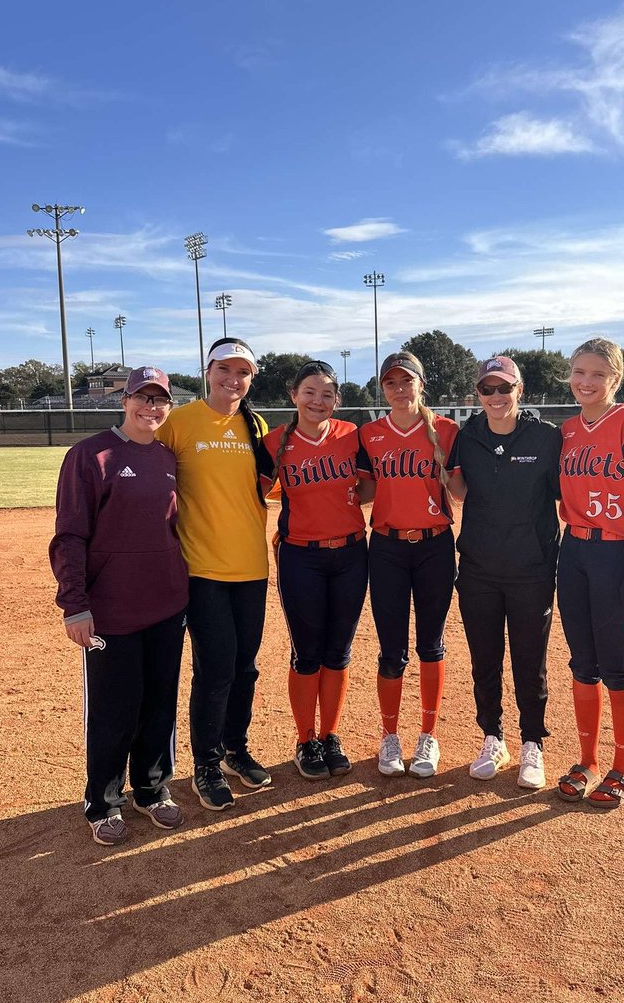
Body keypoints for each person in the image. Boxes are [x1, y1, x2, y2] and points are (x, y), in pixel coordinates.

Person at [49, 366, 189, 846]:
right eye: (142, 398)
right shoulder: (90, 455)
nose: (150, 408)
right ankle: (103, 801)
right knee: (114, 708)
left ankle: (152, 790)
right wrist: (75, 604)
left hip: (167, 601)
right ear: (125, 401)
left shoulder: (170, 458)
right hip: (111, 608)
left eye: (159, 401)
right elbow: (69, 535)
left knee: (158, 703)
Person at [156, 338, 271, 812]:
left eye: (243, 372)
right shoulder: (177, 422)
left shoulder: (255, 423)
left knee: (245, 666)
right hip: (202, 567)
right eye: (225, 369)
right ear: (208, 371)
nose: (234, 379)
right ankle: (204, 761)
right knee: (216, 666)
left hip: (252, 565)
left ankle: (232, 749)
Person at [447, 356, 562, 790]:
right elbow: (458, 491)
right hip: (478, 570)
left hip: (531, 570)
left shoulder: (547, 438)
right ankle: (492, 738)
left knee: (530, 663)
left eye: (504, 388)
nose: (496, 397)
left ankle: (533, 742)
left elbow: (567, 494)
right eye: (487, 389)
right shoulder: (467, 437)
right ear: (478, 395)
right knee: (485, 660)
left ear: (520, 390)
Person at [555, 338, 624, 810]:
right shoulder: (568, 430)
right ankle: (588, 761)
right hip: (573, 550)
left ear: (614, 379)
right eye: (579, 372)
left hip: (616, 554)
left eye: (597, 374)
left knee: (617, 668)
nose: (586, 382)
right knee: (582, 663)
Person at [260, 361, 368, 779]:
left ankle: (330, 735)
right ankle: (305, 740)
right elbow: (255, 491)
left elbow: (369, 486)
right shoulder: (275, 443)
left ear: (336, 401)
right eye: (309, 392)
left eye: (326, 394)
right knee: (307, 652)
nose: (317, 401)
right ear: (293, 396)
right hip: (301, 557)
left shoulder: (351, 436)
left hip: (351, 554)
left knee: (338, 651)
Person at [357, 350, 460, 779]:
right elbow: (362, 491)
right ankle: (389, 736)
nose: (399, 390)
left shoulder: (447, 431)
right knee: (391, 648)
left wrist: (447, 470)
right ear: (383, 388)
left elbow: (460, 490)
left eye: (407, 381)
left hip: (435, 546)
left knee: (431, 644)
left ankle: (428, 735)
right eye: (391, 383)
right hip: (386, 548)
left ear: (421, 384)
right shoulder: (369, 434)